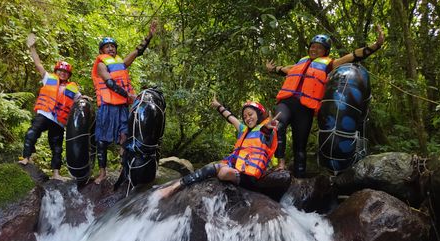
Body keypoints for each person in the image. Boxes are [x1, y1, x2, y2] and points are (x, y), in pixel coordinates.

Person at [266, 25, 384, 178]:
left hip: (305, 108)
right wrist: (272, 69)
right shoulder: (299, 64)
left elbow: (353, 56)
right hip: (287, 103)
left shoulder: (329, 64)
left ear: (325, 51)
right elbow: (282, 69)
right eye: (312, 46)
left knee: (300, 145)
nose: (314, 49)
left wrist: (376, 45)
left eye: (319, 48)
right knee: (277, 124)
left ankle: (299, 181)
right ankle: (280, 164)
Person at [159, 97, 279, 197]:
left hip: (251, 178)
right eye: (245, 116)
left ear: (258, 114)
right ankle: (176, 186)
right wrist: (218, 106)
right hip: (236, 169)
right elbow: (230, 117)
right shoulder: (243, 130)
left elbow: (267, 134)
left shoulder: (266, 131)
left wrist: (268, 128)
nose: (247, 118)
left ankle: (178, 186)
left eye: (250, 114)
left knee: (223, 173)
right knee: (210, 168)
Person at [91, 21, 158, 184]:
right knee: (101, 140)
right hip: (107, 107)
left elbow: (137, 51)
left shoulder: (121, 63)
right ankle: (102, 173)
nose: (111, 49)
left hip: (121, 107)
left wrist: (149, 36)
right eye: (107, 47)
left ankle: (123, 168)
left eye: (113, 46)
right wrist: (130, 95)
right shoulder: (101, 64)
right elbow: (110, 84)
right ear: (102, 50)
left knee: (124, 137)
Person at [19, 33, 81, 181]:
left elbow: (80, 100)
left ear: (69, 75)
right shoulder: (49, 79)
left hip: (58, 120)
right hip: (45, 114)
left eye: (65, 72)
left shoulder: (73, 88)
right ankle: (26, 158)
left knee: (57, 147)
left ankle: (56, 173)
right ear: (56, 71)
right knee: (31, 134)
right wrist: (32, 48)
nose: (63, 74)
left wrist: (86, 99)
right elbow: (38, 64)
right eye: (60, 71)